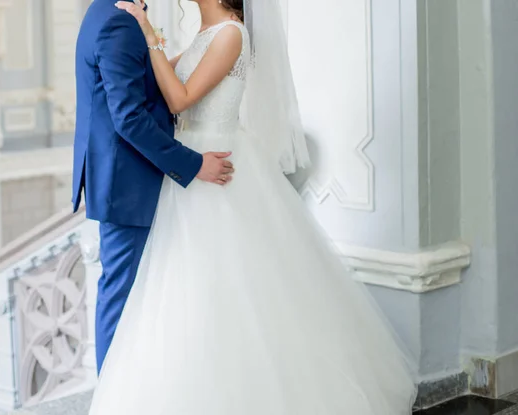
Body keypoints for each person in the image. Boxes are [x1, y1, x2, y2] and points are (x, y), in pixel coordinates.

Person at [88, 0, 418, 413]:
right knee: (184, 292)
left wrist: (148, 33)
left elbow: (178, 99)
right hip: (187, 168)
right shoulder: (205, 34)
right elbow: (161, 82)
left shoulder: (231, 34)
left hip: (215, 168)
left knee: (225, 288)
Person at [72, 0, 236, 373]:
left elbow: (142, 86)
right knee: (123, 297)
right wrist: (194, 165)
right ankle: (111, 397)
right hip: (127, 181)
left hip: (127, 176)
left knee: (139, 294)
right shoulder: (118, 21)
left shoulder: (109, 11)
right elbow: (129, 118)